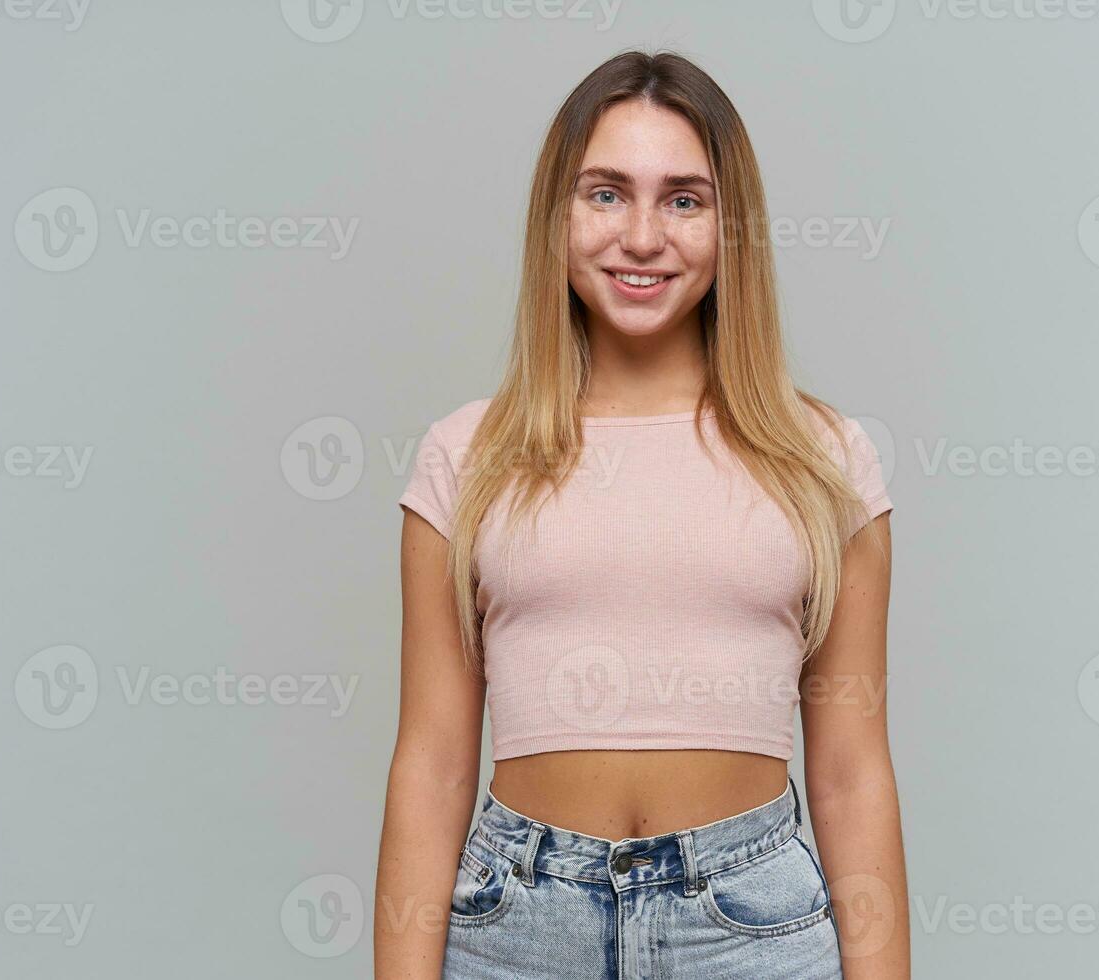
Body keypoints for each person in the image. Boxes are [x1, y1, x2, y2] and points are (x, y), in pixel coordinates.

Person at [375, 48, 909, 979]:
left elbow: (853, 769)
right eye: (607, 194)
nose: (643, 237)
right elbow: (431, 763)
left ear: (728, 225)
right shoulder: (466, 457)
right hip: (516, 929)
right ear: (559, 215)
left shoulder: (827, 462)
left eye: (684, 199)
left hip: (749, 930)